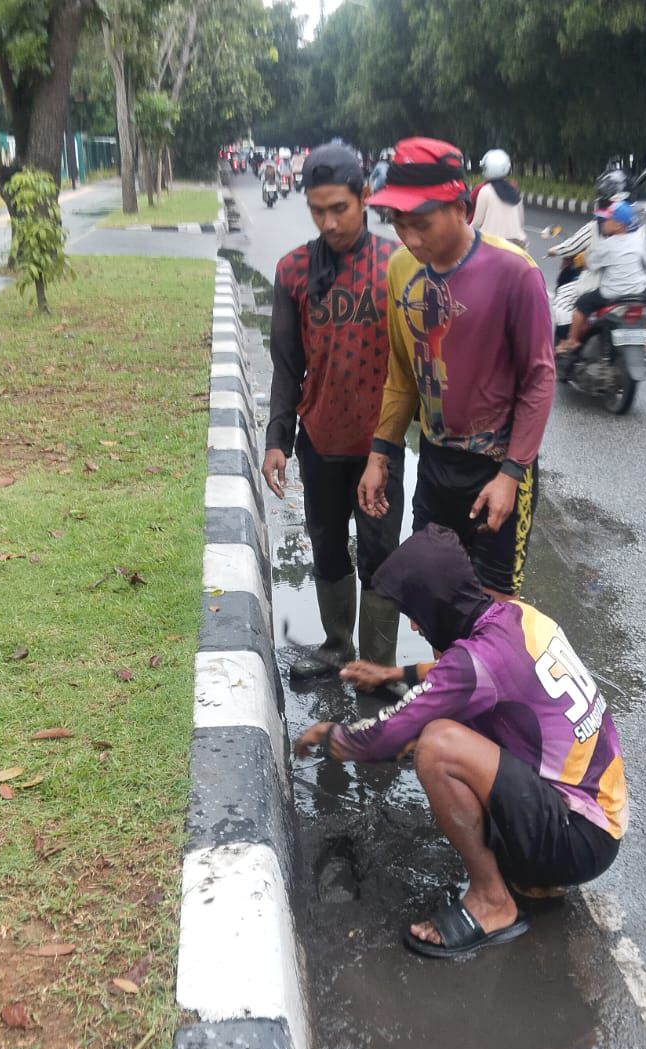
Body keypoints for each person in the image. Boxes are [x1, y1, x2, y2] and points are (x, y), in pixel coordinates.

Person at [293, 525, 628, 958]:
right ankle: (535, 875)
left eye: (416, 611)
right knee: (451, 723)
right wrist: (393, 674)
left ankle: (493, 903)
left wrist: (330, 737)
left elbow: (384, 737)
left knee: (436, 745)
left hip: (577, 838)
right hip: (596, 819)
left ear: (437, 603)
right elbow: (461, 673)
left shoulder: (474, 663)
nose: (415, 624)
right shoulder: (517, 616)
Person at [357, 136, 555, 600]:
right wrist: (379, 454)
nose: (410, 238)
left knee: (491, 611)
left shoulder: (515, 272)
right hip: (435, 463)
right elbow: (402, 373)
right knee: (432, 601)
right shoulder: (401, 269)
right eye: (398, 223)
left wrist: (510, 476)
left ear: (462, 209)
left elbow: (539, 380)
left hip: (497, 466)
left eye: (422, 224)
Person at [263, 144, 402, 680]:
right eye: (318, 210)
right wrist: (277, 439)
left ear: (365, 197)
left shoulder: (397, 266)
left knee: (380, 555)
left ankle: (378, 666)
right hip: (319, 441)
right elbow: (286, 364)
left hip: (379, 446)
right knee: (326, 545)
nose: (329, 223)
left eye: (340, 208)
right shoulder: (294, 270)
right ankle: (339, 646)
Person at [557, 200, 646, 353]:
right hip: (639, 292)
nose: (604, 222)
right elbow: (645, 260)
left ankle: (572, 341)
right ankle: (645, 345)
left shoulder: (608, 244)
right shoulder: (638, 241)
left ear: (618, 225)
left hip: (613, 294)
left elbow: (590, 264)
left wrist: (582, 261)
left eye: (608, 219)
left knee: (582, 304)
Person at [471, 149, 526, 248]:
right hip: (518, 244)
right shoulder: (515, 191)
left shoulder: (485, 191)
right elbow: (521, 221)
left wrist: (466, 230)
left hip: (492, 244)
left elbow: (477, 222)